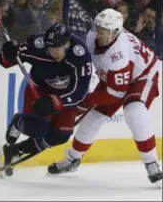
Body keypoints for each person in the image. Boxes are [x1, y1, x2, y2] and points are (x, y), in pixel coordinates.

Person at [47, 9, 162, 186]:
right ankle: (73, 159)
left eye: (104, 30)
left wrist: (87, 101)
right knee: (92, 119)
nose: (99, 33)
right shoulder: (92, 35)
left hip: (143, 76)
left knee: (134, 112)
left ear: (115, 32)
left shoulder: (118, 55)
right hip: (113, 78)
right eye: (98, 27)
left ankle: (151, 163)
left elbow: (116, 93)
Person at [0, 23, 93, 176]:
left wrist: (56, 102)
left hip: (65, 96)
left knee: (59, 136)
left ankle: (16, 150)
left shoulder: (80, 56)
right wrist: (6, 53)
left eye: (58, 49)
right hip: (40, 90)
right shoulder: (37, 46)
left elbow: (79, 93)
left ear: (67, 44)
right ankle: (18, 121)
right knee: (37, 129)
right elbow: (6, 62)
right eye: (50, 49)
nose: (53, 52)